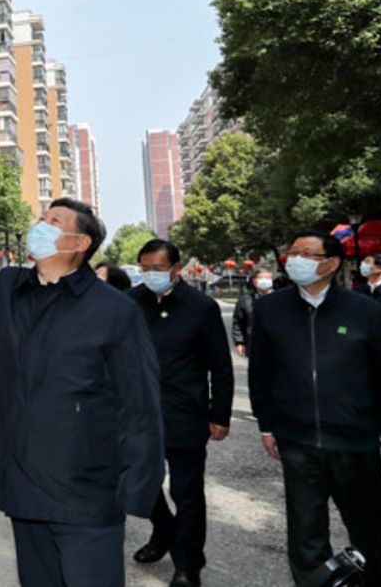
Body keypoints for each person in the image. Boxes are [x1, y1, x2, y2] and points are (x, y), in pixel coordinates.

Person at [0, 195, 164, 587]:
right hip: (24, 485)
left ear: (79, 243)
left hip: (87, 494)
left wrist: (137, 490)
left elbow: (139, 405)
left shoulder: (114, 310)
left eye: (54, 220)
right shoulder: (7, 290)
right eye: (41, 216)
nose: (39, 224)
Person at [248, 231, 381, 587]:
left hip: (355, 443)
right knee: (305, 536)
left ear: (332, 263)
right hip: (297, 443)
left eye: (307, 254)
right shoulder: (270, 309)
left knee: (368, 534)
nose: (295, 259)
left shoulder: (366, 311)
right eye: (293, 252)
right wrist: (267, 425)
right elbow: (260, 373)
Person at [129, 239, 234, 587]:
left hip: (185, 415)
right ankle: (163, 529)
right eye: (145, 268)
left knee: (187, 493)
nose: (150, 274)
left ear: (176, 269)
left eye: (158, 268)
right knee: (138, 483)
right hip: (137, 414)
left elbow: (220, 365)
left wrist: (220, 414)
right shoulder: (130, 303)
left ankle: (188, 563)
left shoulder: (201, 307)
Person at [232, 267, 275, 358]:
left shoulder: (280, 298)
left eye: (268, 278)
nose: (265, 281)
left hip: (277, 344)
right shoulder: (245, 300)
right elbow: (238, 322)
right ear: (254, 281)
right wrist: (239, 342)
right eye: (261, 278)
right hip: (254, 343)